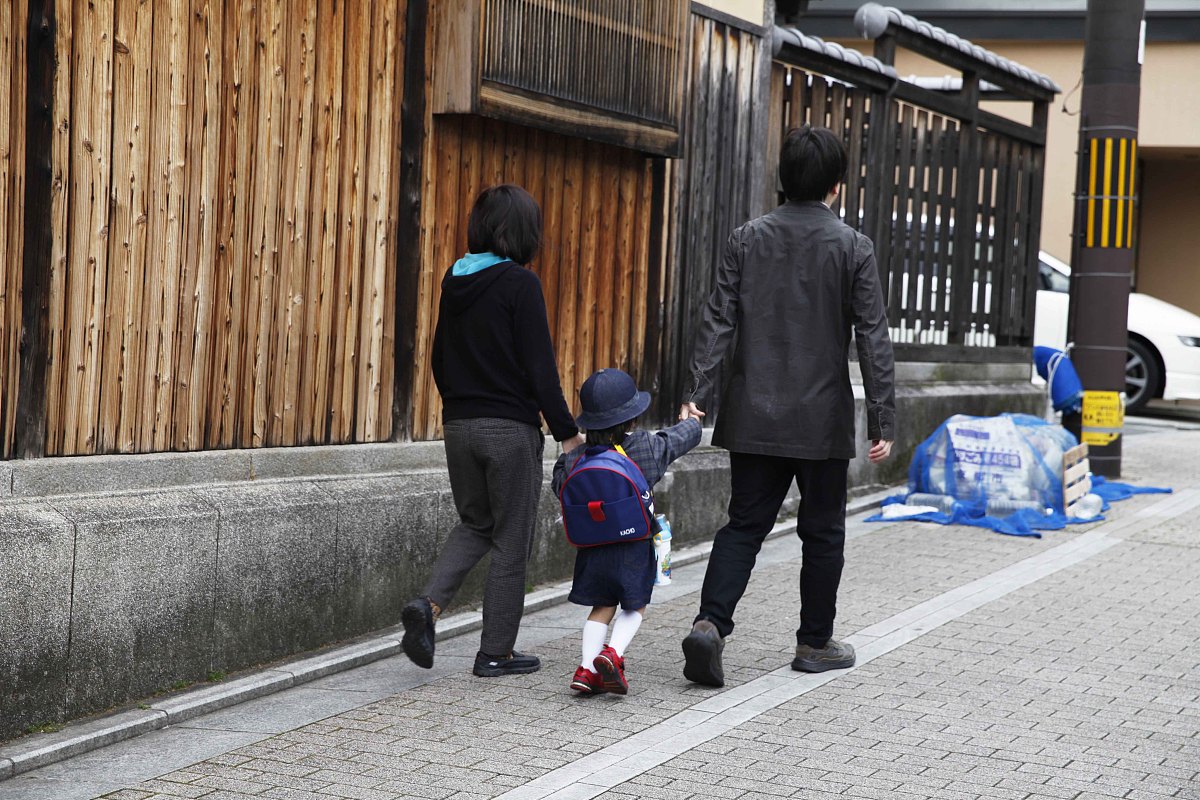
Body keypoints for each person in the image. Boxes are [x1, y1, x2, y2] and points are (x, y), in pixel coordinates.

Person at [678, 125, 896, 687]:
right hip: (820, 418)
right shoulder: (853, 246)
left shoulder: (746, 238)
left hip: (753, 411)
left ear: (783, 179)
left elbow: (719, 320)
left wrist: (697, 394)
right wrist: (882, 417)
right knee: (822, 532)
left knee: (744, 524)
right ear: (836, 185)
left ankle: (709, 624)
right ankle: (814, 642)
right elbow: (872, 336)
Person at [401, 184, 586, 678]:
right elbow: (540, 368)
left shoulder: (453, 280)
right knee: (510, 539)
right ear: (521, 233)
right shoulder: (520, 285)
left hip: (459, 426)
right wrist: (567, 432)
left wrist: (460, 406)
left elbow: (440, 356)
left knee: (476, 523)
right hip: (509, 431)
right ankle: (496, 652)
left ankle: (429, 605)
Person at [552, 369, 701, 695]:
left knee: (601, 606)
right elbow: (682, 438)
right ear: (632, 419)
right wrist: (690, 419)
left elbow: (559, 487)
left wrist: (570, 455)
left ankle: (587, 669)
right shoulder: (647, 448)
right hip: (633, 544)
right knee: (634, 604)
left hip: (591, 549)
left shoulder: (575, 458)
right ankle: (613, 654)